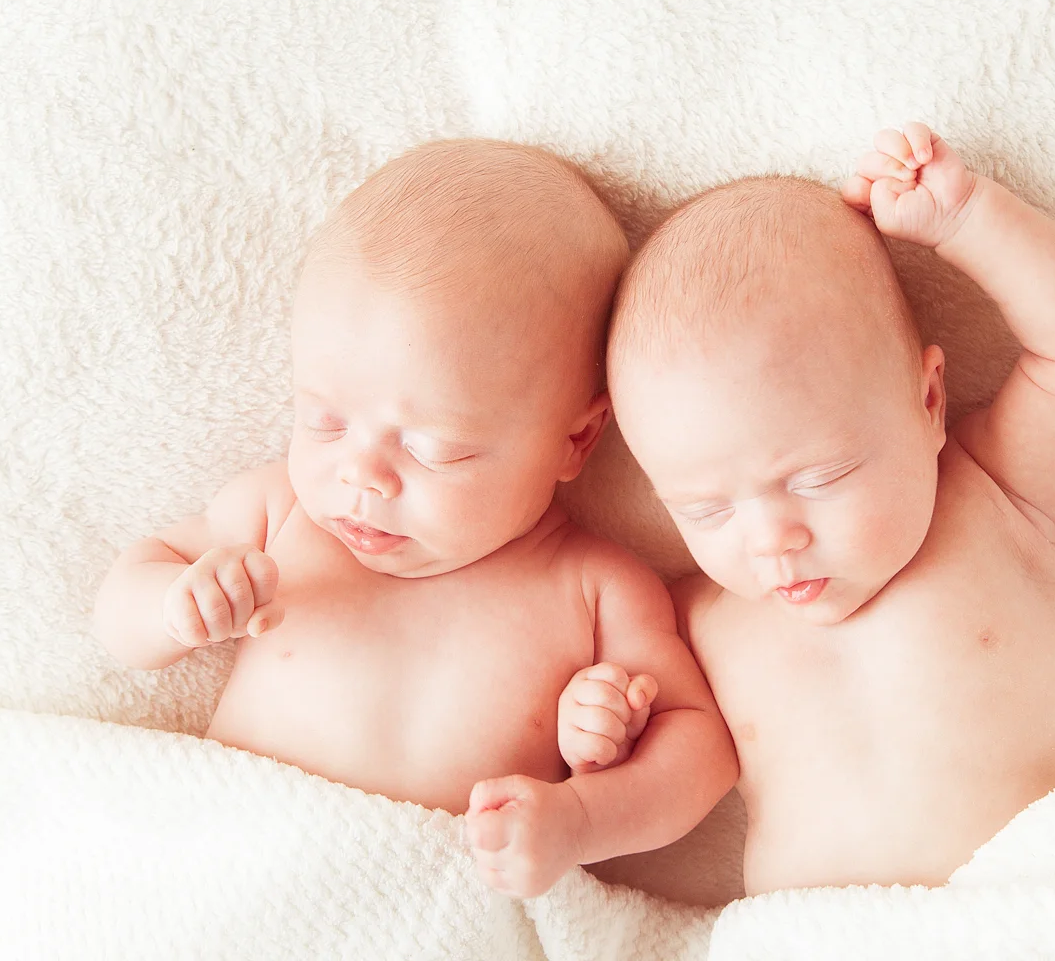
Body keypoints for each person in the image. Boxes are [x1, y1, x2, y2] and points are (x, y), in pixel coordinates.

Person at [94, 139, 737, 898]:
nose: (359, 474)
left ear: (576, 439)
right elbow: (123, 606)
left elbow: (700, 753)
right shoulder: (281, 514)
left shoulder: (594, 589)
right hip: (225, 863)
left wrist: (581, 818)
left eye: (433, 449)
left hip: (425, 903)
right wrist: (176, 608)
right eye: (325, 422)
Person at [587, 123, 1055, 893]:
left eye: (818, 478)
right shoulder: (689, 622)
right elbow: (650, 771)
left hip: (1051, 899)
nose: (772, 541)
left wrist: (968, 220)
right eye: (707, 511)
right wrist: (598, 727)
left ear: (929, 402)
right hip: (822, 936)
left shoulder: (997, 494)